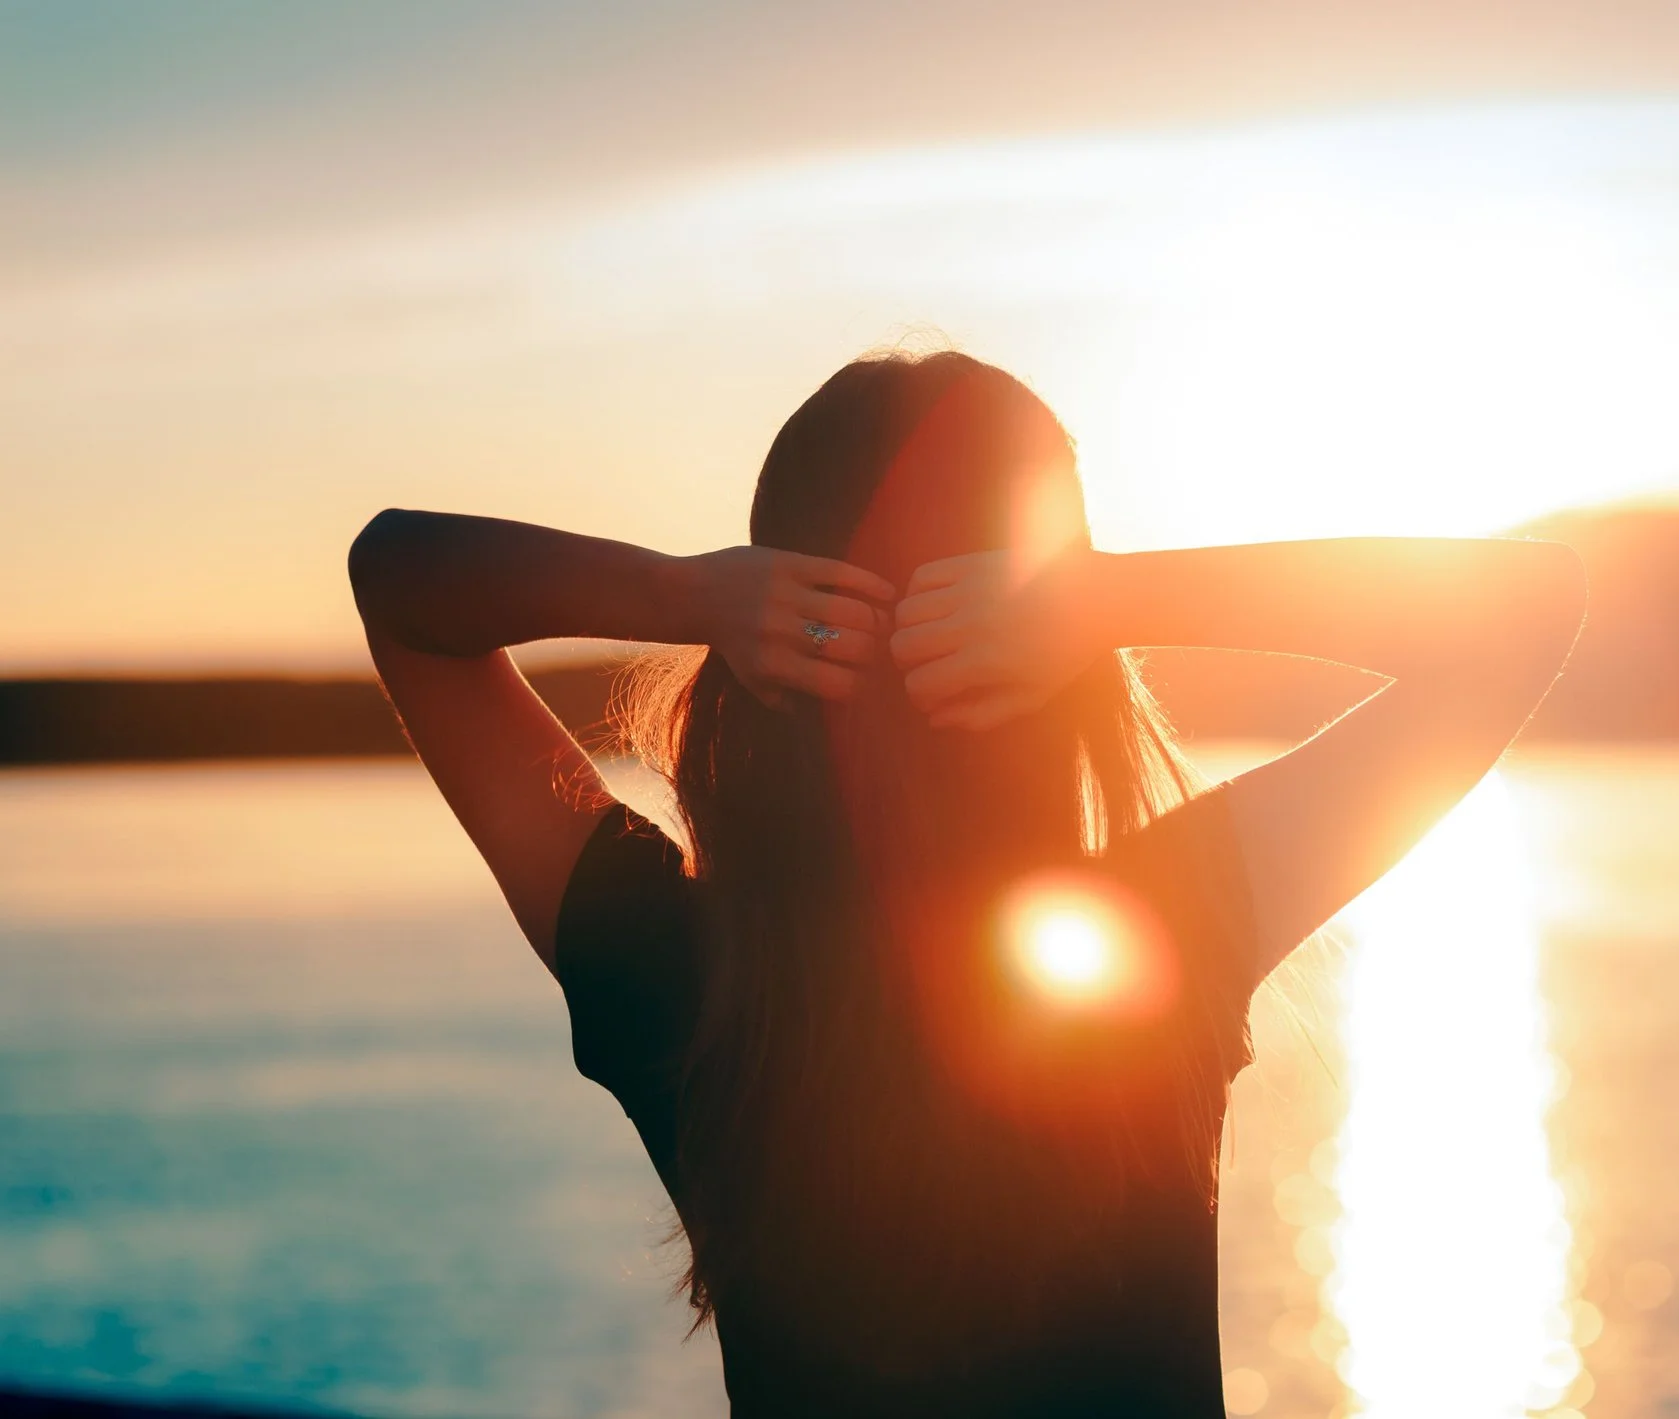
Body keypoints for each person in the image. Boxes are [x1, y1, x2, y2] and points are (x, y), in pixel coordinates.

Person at [347, 349, 1584, 1416]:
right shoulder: (1158, 926)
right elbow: (1520, 609)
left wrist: (685, 595)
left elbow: (401, 588)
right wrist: (1103, 600)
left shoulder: (676, 958)